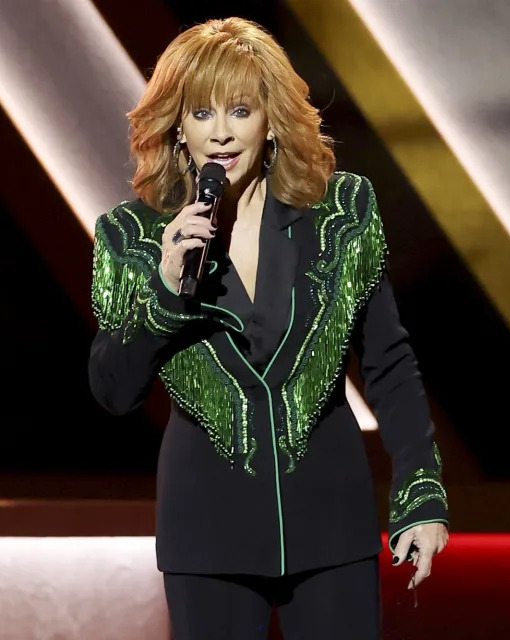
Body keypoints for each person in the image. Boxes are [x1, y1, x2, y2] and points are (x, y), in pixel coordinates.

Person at [88, 17, 448, 639]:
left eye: (241, 111)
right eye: (201, 113)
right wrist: (168, 289)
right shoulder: (135, 236)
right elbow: (113, 389)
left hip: (331, 524)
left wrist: (421, 489)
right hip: (207, 537)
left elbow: (388, 361)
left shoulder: (341, 213)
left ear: (273, 119)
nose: (221, 134)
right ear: (177, 124)